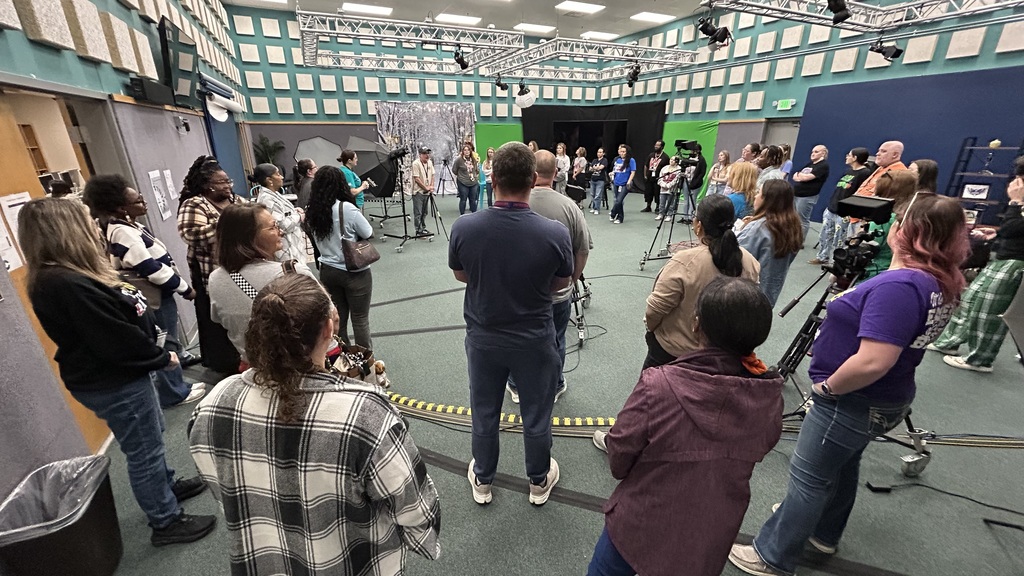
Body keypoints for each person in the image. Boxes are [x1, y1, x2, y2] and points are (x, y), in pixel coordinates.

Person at [729, 194, 968, 576]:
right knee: (841, 467)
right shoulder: (938, 280)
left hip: (853, 400)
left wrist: (828, 389)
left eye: (898, 219)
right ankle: (824, 533)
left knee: (809, 479)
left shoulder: (901, 287)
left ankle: (771, 554)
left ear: (908, 231)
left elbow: (874, 360)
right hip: (882, 399)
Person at [188, 274, 440, 575]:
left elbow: (221, 486)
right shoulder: (365, 413)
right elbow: (412, 506)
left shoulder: (213, 403)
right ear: (329, 329)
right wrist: (422, 540)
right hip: (352, 562)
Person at [21, 197, 216, 546]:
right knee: (145, 451)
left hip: (121, 376)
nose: (95, 227)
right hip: (115, 381)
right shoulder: (64, 283)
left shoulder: (74, 274)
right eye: (87, 221)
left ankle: (165, 489)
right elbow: (113, 338)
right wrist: (161, 358)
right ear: (65, 230)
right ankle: (165, 521)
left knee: (152, 436)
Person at [588, 277, 783, 576]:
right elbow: (764, 444)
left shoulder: (658, 386)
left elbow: (619, 458)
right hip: (711, 530)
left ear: (695, 324)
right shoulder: (768, 398)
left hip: (640, 522)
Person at [449, 142, 573, 507]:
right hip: (535, 339)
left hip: (484, 339)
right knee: (538, 411)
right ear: (534, 180)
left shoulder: (465, 227)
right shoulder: (554, 233)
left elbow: (461, 274)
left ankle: (483, 478)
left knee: (484, 409)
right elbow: (561, 284)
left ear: (492, 177)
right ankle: (538, 480)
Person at [82, 174, 205, 408]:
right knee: (164, 340)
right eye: (137, 200)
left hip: (161, 293)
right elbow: (149, 267)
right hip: (154, 295)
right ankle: (174, 392)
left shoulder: (129, 226)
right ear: (121, 208)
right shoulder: (123, 232)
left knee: (168, 337)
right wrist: (184, 288)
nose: (143, 202)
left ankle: (177, 383)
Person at [506, 150, 593, 405]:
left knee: (516, 338)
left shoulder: (514, 203)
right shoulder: (569, 206)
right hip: (557, 296)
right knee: (555, 339)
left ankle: (515, 385)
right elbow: (583, 249)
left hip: (518, 295)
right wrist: (572, 280)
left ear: (532, 173)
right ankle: (554, 385)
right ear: (556, 173)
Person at [642, 194, 760, 369]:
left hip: (674, 352)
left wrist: (651, 329)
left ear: (698, 225)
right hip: (723, 355)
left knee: (651, 393)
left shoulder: (684, 261)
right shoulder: (750, 261)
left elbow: (656, 309)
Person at [930, 165, 1024, 372]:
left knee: (990, 312)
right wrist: (997, 235)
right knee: (971, 299)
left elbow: (1013, 228)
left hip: (1016, 263)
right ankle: (949, 343)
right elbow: (1014, 230)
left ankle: (980, 360)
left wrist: (1016, 202)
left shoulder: (1019, 201)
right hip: (1002, 258)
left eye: (1021, 177)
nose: (1016, 182)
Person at [209, 203, 316, 366]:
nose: (280, 231)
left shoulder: (215, 279)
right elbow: (330, 318)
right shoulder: (292, 272)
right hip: (302, 366)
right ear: (250, 237)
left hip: (254, 369)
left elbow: (219, 320)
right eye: (273, 227)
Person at [178, 155, 244, 373]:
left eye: (229, 182)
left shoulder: (235, 201)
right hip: (211, 274)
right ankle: (223, 364)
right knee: (216, 320)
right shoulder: (195, 203)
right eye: (222, 182)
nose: (228, 186)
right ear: (207, 185)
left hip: (241, 269)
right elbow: (190, 234)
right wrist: (227, 222)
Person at [306, 166, 375, 348]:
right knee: (360, 319)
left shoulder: (312, 211)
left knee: (339, 318)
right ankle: (365, 359)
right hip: (354, 270)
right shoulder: (346, 209)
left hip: (328, 270)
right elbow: (368, 232)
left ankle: (342, 356)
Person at [737, 180, 804, 307]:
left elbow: (737, 256)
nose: (755, 196)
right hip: (769, 295)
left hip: (745, 294)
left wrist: (741, 231)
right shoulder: (793, 228)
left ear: (767, 200)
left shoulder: (758, 228)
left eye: (759, 193)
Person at [811, 147, 872, 266]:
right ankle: (822, 256)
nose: (846, 156)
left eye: (849, 155)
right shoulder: (848, 171)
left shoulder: (864, 173)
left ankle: (836, 261)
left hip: (844, 212)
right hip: (832, 208)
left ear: (855, 158)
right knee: (825, 234)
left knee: (840, 239)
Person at [860, 170, 917, 281]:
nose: (872, 191)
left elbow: (864, 250)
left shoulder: (883, 221)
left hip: (872, 274)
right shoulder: (910, 217)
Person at [248, 163, 306, 263]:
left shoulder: (273, 193)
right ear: (269, 180)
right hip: (286, 250)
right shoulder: (267, 199)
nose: (282, 177)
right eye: (278, 174)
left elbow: (284, 213)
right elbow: (283, 225)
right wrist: (299, 216)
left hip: (293, 247)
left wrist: (295, 211)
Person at [791, 145, 831, 239]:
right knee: (793, 217)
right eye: (812, 151)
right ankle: (791, 238)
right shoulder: (810, 164)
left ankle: (799, 241)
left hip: (807, 196)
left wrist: (800, 176)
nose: (813, 154)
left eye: (816, 152)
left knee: (802, 219)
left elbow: (806, 177)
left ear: (823, 153)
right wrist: (800, 176)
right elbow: (795, 175)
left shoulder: (823, 166)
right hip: (796, 194)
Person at [677, 143, 708, 223]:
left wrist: (695, 182)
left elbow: (702, 173)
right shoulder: (688, 158)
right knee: (686, 200)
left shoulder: (701, 160)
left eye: (693, 150)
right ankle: (685, 217)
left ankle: (691, 218)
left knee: (692, 200)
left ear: (697, 151)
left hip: (695, 183)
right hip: (686, 181)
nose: (691, 151)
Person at [609, 144, 636, 224]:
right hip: (616, 182)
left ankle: (613, 213)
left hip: (625, 184)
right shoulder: (617, 160)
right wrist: (612, 174)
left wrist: (629, 181)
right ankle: (620, 218)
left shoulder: (631, 160)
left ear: (627, 152)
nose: (622, 153)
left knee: (618, 200)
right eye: (621, 151)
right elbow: (615, 170)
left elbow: (633, 172)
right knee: (618, 201)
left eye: (624, 152)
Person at [411, 146, 435, 236]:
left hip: (427, 191)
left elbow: (432, 175)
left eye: (428, 153)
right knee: (418, 212)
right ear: (420, 155)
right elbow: (416, 178)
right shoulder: (415, 164)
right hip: (418, 192)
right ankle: (418, 230)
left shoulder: (429, 163)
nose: (427, 155)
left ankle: (423, 228)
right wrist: (425, 187)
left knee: (425, 212)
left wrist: (431, 186)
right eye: (425, 153)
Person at [453, 143, 480, 215]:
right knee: (463, 199)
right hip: (463, 182)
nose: (467, 151)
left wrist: (475, 177)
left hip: (473, 182)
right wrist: (461, 176)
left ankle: (474, 216)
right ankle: (462, 215)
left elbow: (477, 170)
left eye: (468, 150)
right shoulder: (459, 160)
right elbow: (454, 170)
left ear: (470, 151)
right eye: (465, 150)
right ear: (462, 151)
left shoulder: (473, 159)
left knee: (473, 200)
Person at [643, 140, 669, 213]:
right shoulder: (651, 155)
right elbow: (646, 165)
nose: (656, 146)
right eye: (655, 145)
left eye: (658, 145)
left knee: (657, 192)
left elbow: (667, 169)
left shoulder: (665, 157)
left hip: (658, 178)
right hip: (649, 177)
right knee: (648, 192)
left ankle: (657, 207)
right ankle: (648, 206)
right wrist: (645, 175)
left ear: (662, 147)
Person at [655, 156, 683, 221]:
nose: (671, 161)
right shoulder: (665, 168)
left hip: (672, 189)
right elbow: (660, 177)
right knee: (662, 202)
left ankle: (669, 215)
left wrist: (669, 185)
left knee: (670, 203)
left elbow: (677, 179)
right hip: (663, 189)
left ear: (676, 162)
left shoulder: (679, 169)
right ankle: (661, 214)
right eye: (671, 159)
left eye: (673, 160)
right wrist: (663, 184)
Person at [589, 147, 610, 215]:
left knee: (598, 195)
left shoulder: (604, 160)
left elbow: (601, 167)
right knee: (592, 194)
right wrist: (595, 168)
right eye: (598, 152)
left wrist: (595, 168)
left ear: (603, 153)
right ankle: (593, 207)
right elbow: (590, 169)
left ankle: (597, 209)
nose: (599, 153)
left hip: (600, 180)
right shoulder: (594, 160)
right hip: (593, 179)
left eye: (600, 152)